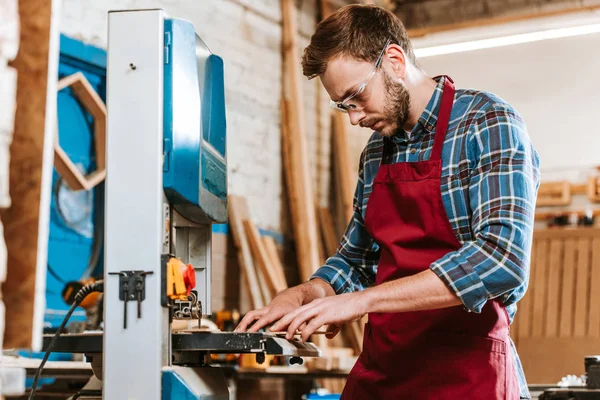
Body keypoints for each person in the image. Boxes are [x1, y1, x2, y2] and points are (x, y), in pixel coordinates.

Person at [235, 4, 540, 399]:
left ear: (394, 61)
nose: (353, 118)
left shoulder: (487, 123)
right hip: (387, 372)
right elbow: (356, 262)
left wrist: (359, 302)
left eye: (356, 97)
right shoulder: (376, 154)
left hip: (466, 375)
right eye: (342, 105)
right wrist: (308, 294)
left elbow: (501, 259)